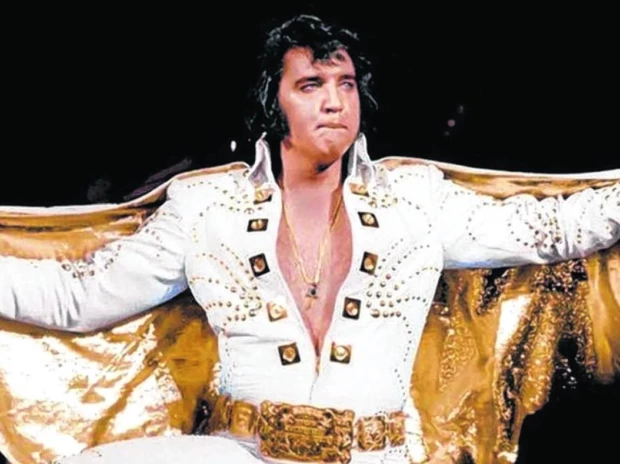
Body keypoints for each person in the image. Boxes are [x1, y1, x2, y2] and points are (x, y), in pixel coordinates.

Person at [0, 14, 618, 464]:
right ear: (273, 102)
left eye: (345, 84)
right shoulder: (207, 206)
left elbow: (551, 229)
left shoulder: (416, 200)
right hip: (242, 452)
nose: (335, 102)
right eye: (311, 85)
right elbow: (79, 298)